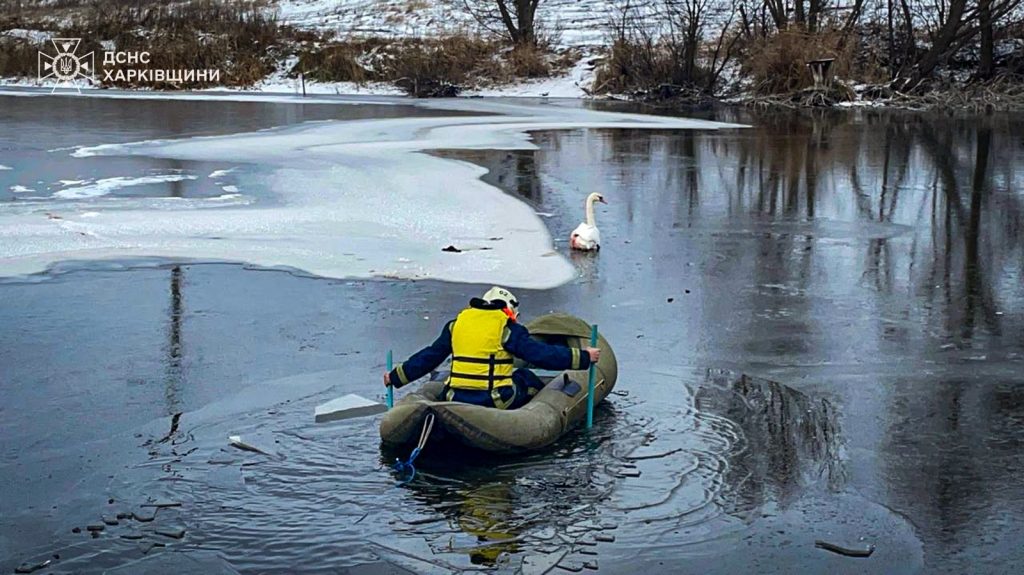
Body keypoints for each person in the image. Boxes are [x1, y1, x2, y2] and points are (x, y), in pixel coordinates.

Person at [383, 287, 601, 410]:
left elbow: (429, 357)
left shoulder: (457, 324)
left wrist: (395, 377)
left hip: (454, 397)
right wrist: (583, 357)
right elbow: (541, 355)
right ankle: (530, 413)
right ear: (510, 311)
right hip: (494, 399)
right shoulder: (506, 328)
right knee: (525, 377)